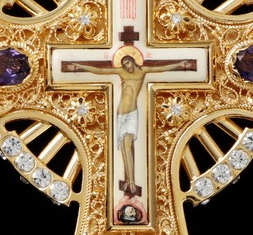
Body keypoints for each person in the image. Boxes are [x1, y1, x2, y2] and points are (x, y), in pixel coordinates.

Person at [66, 53, 194, 195]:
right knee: (123, 148)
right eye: (124, 64)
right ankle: (128, 180)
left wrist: (179, 64)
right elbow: (100, 71)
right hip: (120, 114)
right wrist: (80, 66)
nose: (126, 66)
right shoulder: (121, 72)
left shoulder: (143, 71)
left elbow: (161, 68)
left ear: (133, 61)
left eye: (128, 63)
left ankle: (132, 181)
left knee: (127, 148)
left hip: (132, 114)